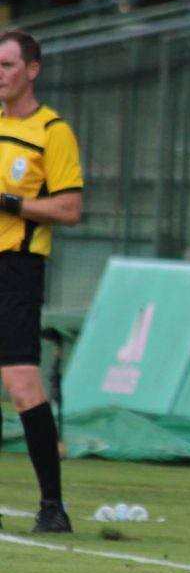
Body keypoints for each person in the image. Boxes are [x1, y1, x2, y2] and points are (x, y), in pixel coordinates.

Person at [0, 28, 82, 533]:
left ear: (32, 70)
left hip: (16, 269)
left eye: (7, 65)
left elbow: (70, 208)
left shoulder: (53, 131)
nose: (0, 74)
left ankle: (53, 506)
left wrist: (10, 203)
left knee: (22, 384)